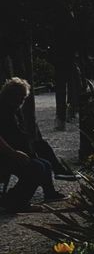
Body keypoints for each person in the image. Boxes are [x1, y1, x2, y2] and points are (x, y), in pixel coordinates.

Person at [0, 78, 62, 213]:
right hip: (5, 154)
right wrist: (14, 153)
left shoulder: (13, 109)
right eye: (20, 98)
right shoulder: (4, 110)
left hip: (12, 151)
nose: (22, 102)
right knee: (36, 167)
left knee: (45, 163)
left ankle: (49, 193)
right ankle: (14, 200)